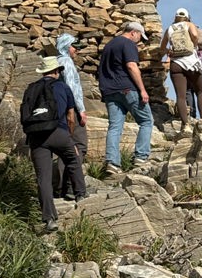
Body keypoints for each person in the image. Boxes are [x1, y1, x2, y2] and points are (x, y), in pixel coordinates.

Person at [23, 55, 87, 233]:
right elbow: (70, 116)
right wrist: (70, 138)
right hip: (58, 132)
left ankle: (49, 219)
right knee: (73, 158)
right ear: (57, 71)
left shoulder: (31, 88)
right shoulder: (63, 87)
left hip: (36, 137)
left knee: (43, 178)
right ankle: (80, 194)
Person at [97, 20, 154, 173]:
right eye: (140, 37)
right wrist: (142, 89)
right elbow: (131, 66)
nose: (140, 40)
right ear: (133, 32)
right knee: (146, 121)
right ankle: (141, 157)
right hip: (127, 88)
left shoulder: (109, 46)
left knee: (115, 126)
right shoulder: (128, 44)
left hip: (109, 91)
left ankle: (112, 163)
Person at [54, 33, 88, 199]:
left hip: (59, 110)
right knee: (78, 146)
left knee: (63, 148)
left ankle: (60, 187)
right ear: (67, 46)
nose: (77, 51)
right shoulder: (66, 62)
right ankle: (71, 186)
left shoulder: (55, 62)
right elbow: (72, 87)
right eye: (75, 47)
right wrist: (80, 109)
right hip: (71, 110)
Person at [161, 8, 202, 127]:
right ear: (187, 17)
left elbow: (162, 48)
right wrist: (195, 46)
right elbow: (195, 35)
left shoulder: (170, 29)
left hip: (176, 63)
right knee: (200, 91)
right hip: (192, 62)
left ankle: (185, 125)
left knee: (180, 96)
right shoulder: (189, 24)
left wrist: (168, 51)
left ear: (175, 17)